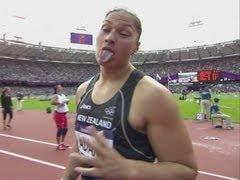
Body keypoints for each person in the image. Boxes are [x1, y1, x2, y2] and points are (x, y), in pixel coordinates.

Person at [62, 8, 197, 179]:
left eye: (124, 34)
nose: (110, 37)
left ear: (135, 47)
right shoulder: (83, 90)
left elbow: (186, 170)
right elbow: (82, 146)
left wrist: (128, 169)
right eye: (105, 29)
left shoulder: (153, 96)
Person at [51, 84, 70, 151]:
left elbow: (65, 103)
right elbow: (52, 102)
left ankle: (62, 143)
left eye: (61, 86)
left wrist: (67, 102)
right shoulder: (55, 95)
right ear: (56, 89)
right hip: (58, 115)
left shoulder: (63, 95)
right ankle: (58, 145)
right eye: (59, 87)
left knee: (65, 129)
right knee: (60, 130)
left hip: (64, 115)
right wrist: (60, 103)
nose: (61, 87)